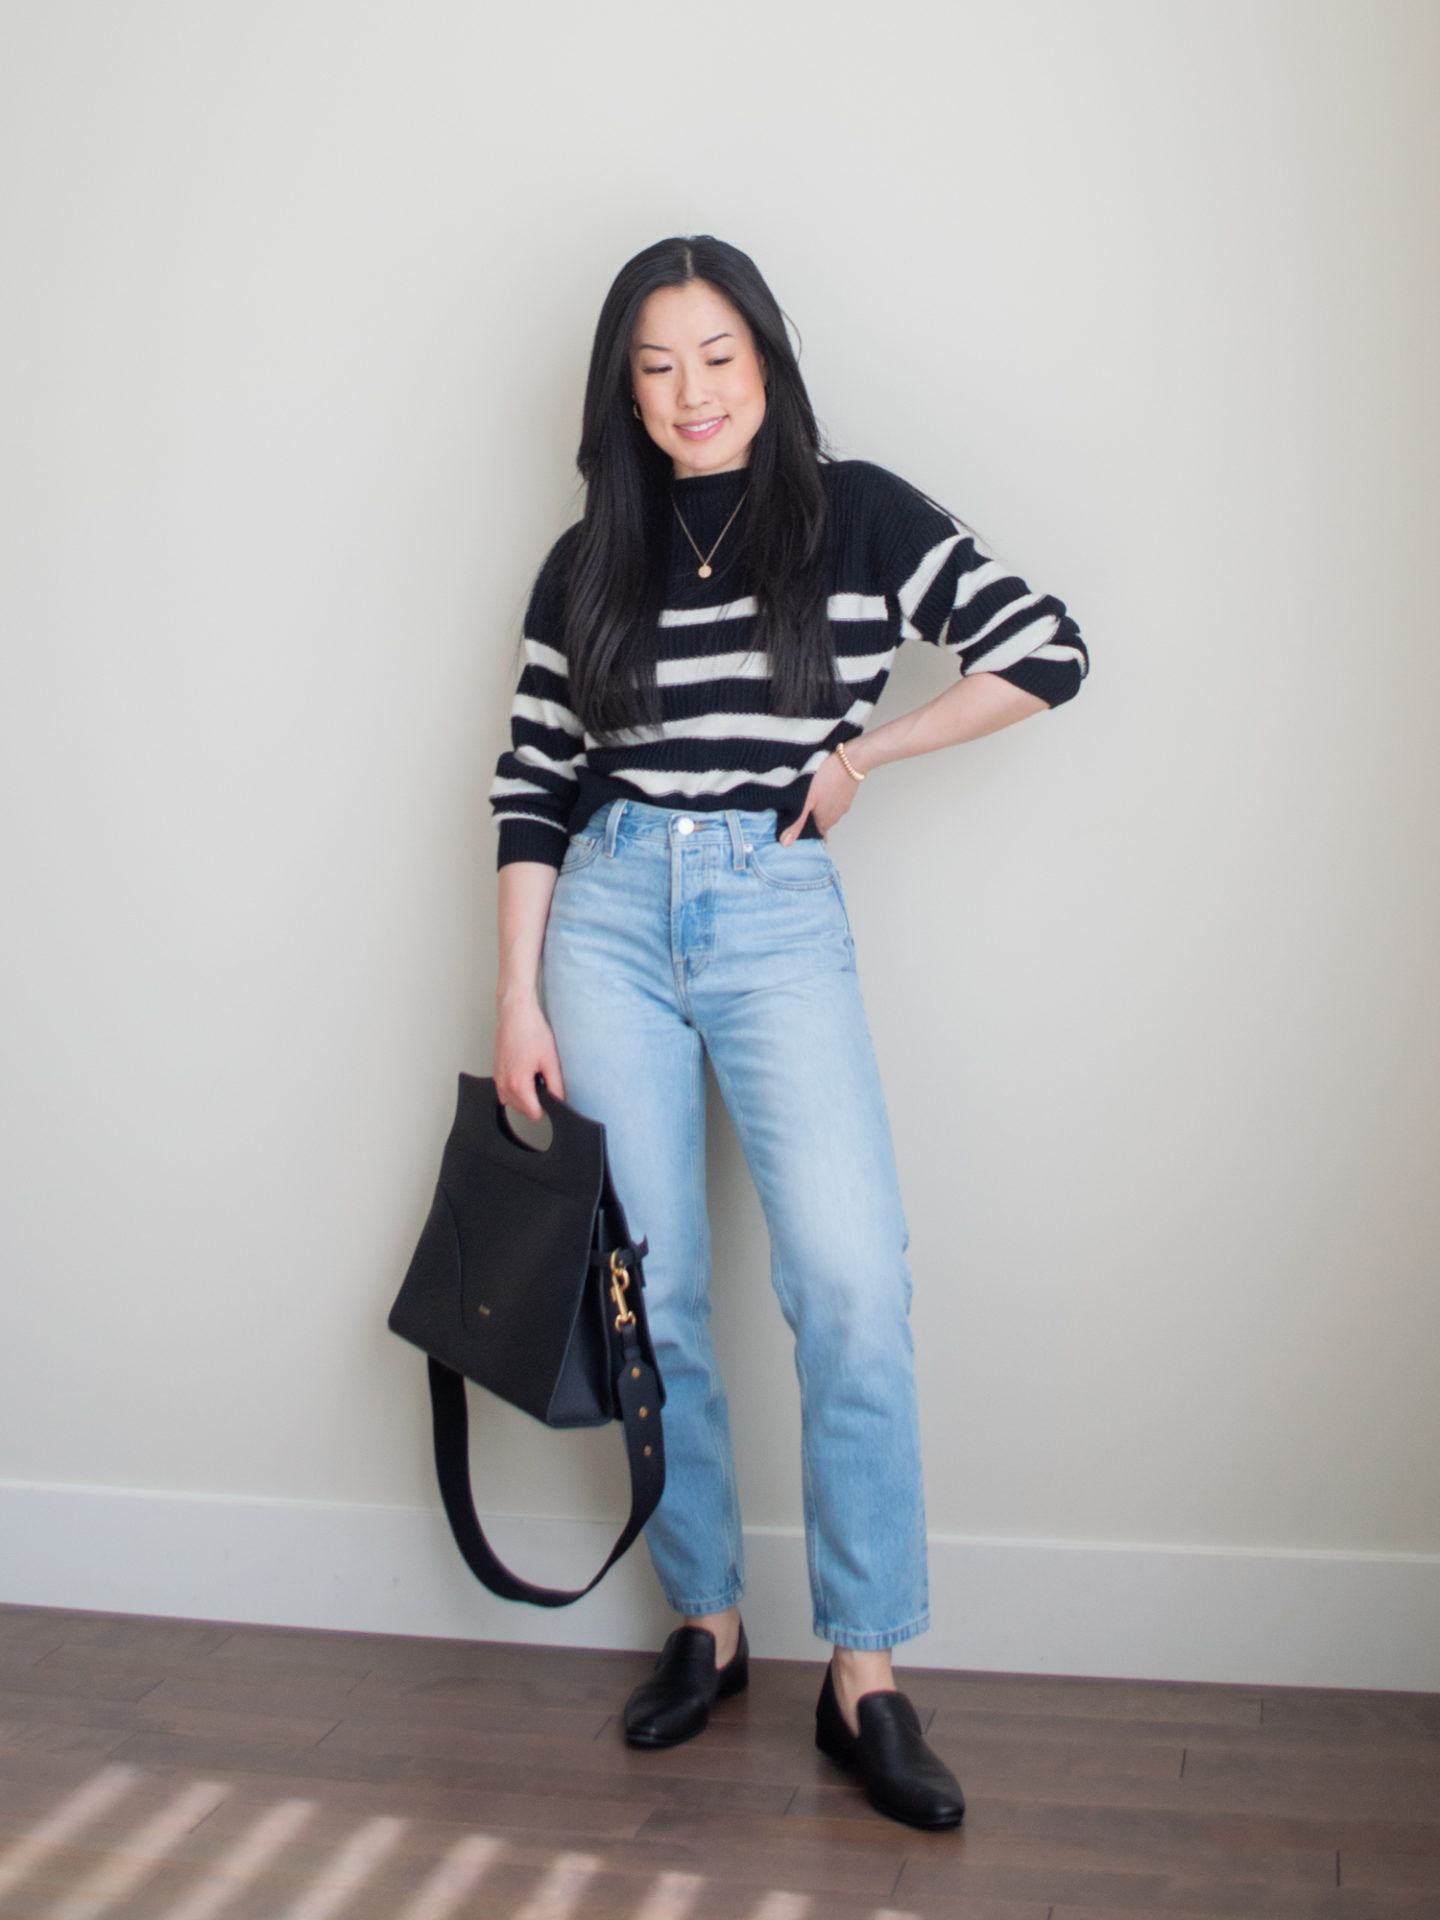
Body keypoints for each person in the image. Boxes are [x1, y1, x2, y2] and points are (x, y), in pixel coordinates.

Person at [489, 235, 1087, 1830]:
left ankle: (865, 1674)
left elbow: (1049, 649)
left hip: (770, 910)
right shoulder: (588, 553)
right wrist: (515, 997)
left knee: (846, 1279)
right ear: (625, 386)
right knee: (655, 1291)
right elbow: (533, 785)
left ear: (768, 359)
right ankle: (708, 1622)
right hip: (605, 919)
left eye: (718, 357)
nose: (691, 393)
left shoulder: (857, 510)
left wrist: (867, 757)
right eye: (657, 366)